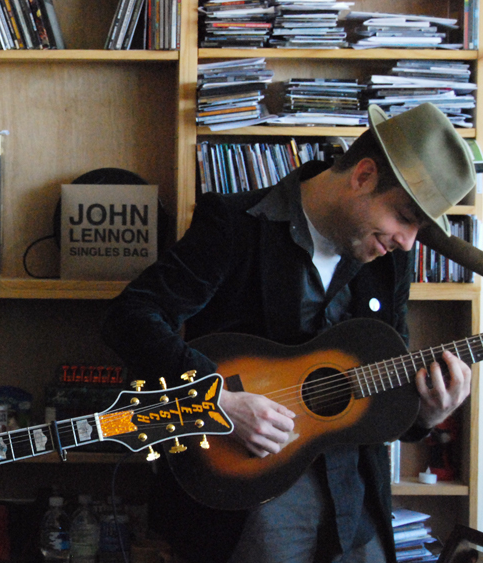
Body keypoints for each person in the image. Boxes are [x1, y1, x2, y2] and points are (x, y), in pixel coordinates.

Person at [102, 102, 474, 563]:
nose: (407, 241)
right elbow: (131, 315)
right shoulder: (235, 225)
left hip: (355, 504)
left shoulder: (388, 260)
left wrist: (428, 414)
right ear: (362, 176)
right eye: (404, 216)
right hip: (246, 504)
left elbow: (382, 374)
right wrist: (215, 399)